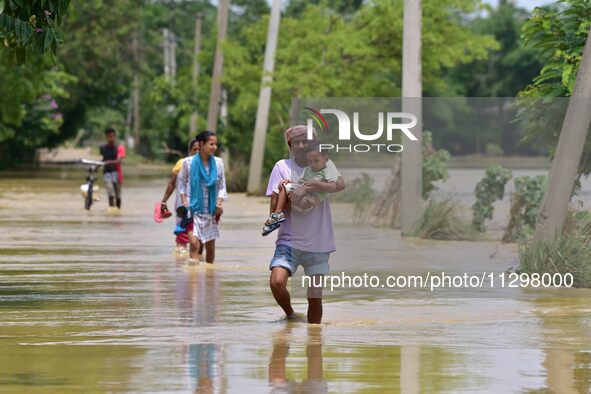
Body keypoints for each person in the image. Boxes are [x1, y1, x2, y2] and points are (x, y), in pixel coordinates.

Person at [267, 125, 345, 324]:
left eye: (306, 142)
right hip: (289, 239)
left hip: (318, 241)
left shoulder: (323, 165)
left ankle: (314, 342)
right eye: (297, 142)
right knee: (276, 282)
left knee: (315, 298)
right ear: (289, 145)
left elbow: (339, 185)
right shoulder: (281, 167)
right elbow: (275, 205)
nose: (301, 145)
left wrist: (312, 186)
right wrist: (286, 193)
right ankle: (290, 314)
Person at [263, 140, 339, 236]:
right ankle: (275, 216)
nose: (313, 164)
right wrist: (289, 182)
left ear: (326, 159)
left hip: (312, 200)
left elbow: (333, 186)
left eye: (316, 161)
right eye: (310, 161)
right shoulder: (308, 170)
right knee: (280, 189)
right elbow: (300, 183)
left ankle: (279, 216)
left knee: (297, 202)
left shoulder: (328, 171)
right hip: (302, 194)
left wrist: (313, 184)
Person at [178, 131, 227, 264]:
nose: (214, 147)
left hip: (211, 211)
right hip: (193, 210)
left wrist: (219, 203)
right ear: (202, 144)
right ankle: (193, 280)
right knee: (194, 244)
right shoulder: (188, 162)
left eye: (216, 144)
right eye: (211, 144)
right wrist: (184, 201)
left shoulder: (218, 163)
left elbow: (222, 186)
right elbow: (181, 184)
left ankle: (209, 278)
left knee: (210, 249)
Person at [157, 139, 201, 257]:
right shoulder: (181, 163)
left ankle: (196, 262)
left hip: (200, 206)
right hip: (182, 205)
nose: (196, 152)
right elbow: (172, 183)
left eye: (199, 149)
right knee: (181, 234)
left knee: (199, 237)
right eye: (194, 149)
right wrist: (164, 201)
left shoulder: (207, 165)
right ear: (189, 150)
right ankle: (180, 266)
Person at [100, 127, 125, 209]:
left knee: (118, 196)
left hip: (117, 174)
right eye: (108, 136)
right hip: (107, 173)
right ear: (106, 137)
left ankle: (117, 211)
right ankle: (111, 211)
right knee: (110, 193)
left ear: (115, 136)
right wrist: (96, 167)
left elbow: (118, 160)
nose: (110, 138)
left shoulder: (119, 148)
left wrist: (109, 162)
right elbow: (103, 159)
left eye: (112, 136)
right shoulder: (103, 148)